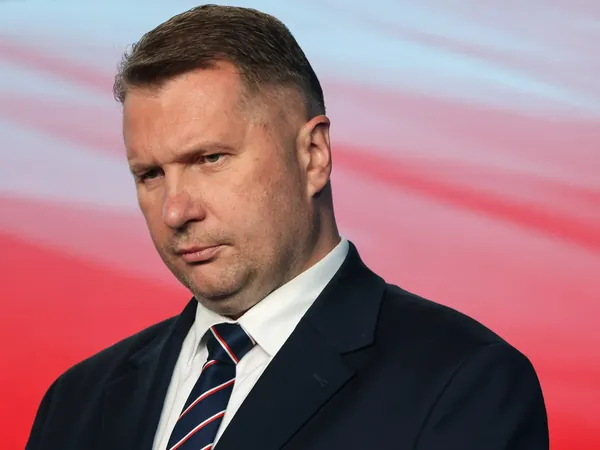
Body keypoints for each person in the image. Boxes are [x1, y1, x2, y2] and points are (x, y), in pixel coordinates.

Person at [26, 4, 549, 450]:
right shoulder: (76, 400)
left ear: (313, 155)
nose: (175, 211)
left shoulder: (463, 382)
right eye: (150, 174)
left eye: (210, 158)